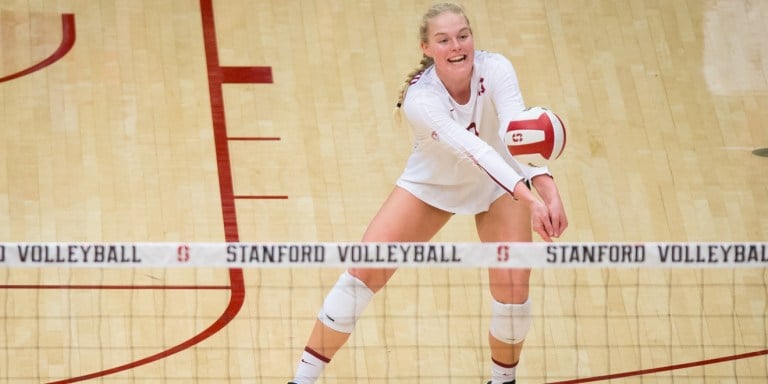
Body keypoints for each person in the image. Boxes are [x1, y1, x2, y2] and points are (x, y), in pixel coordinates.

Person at [289, 3, 568, 383]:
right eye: (444, 40)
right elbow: (476, 151)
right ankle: (302, 380)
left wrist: (549, 191)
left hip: (500, 186)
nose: (456, 46)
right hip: (433, 185)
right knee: (362, 272)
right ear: (427, 49)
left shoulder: (497, 67)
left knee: (514, 287)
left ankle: (503, 382)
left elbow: (516, 134)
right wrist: (532, 199)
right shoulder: (422, 100)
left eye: (463, 36)